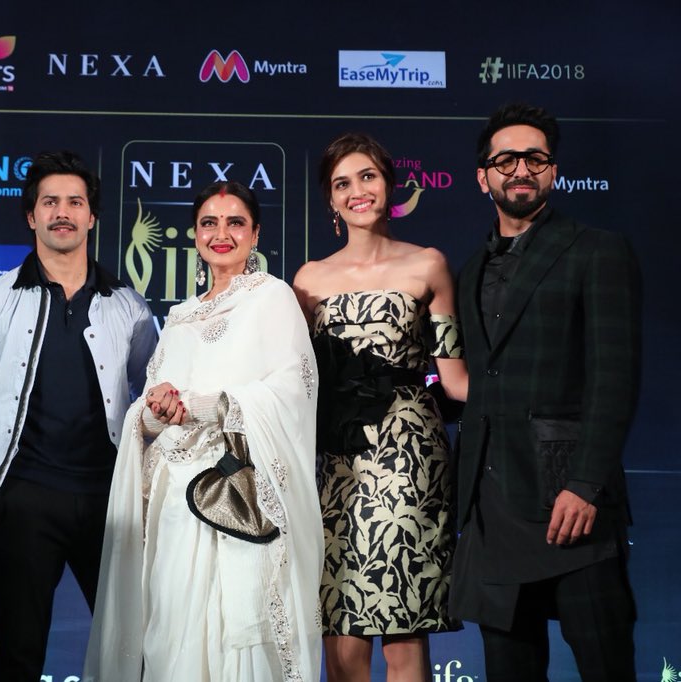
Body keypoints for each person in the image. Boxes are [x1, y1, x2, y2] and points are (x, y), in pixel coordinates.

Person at [84, 181, 323, 682]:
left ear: (255, 234)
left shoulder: (272, 298)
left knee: (238, 638)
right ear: (194, 236)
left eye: (235, 222)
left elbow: (291, 391)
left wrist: (205, 405)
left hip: (238, 498)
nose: (221, 233)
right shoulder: (178, 318)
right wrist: (154, 410)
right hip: (176, 509)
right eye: (209, 223)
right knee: (174, 640)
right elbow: (148, 415)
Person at [0, 150, 157, 681]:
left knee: (140, 653)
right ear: (31, 215)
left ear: (92, 217)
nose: (63, 212)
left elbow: (152, 397)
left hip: (111, 502)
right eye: (50, 201)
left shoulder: (130, 307)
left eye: (75, 202)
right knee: (18, 655)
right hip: (24, 498)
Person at [448, 103, 640, 682]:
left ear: (552, 172)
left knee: (606, 667)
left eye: (535, 157)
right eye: (505, 160)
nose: (520, 169)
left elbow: (616, 378)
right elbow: (477, 382)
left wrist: (585, 484)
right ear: (484, 178)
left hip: (571, 506)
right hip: (493, 506)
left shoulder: (597, 250)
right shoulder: (470, 267)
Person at [292, 132, 467, 682]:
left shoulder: (429, 265)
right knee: (339, 625)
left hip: (409, 456)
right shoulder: (307, 281)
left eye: (367, 176)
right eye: (342, 183)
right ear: (331, 201)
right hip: (337, 457)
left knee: (402, 627)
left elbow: (456, 378)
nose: (357, 191)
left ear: (389, 185)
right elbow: (293, 380)